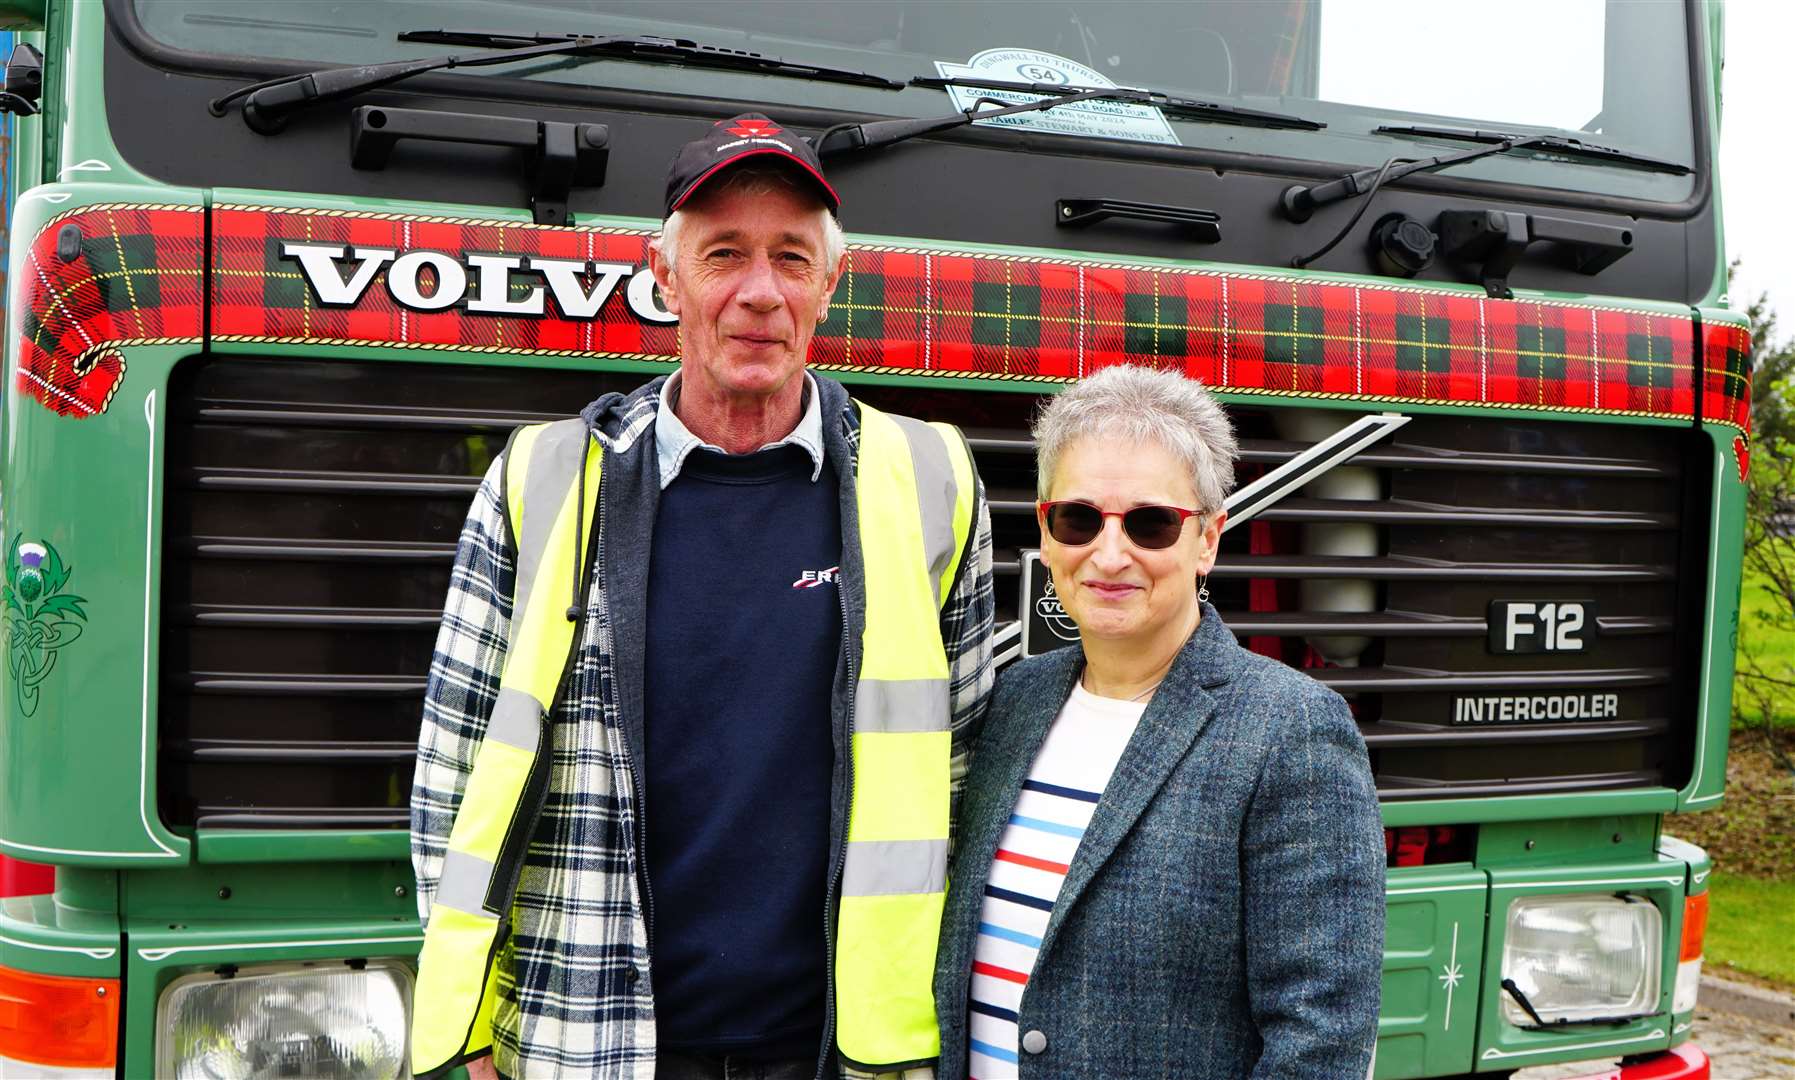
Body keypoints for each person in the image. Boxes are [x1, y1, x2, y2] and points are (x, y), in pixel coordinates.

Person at [409, 113, 995, 1080]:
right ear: (664, 278)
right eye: (723, 254)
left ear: (827, 285)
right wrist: (469, 1024)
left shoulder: (931, 478)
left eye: (790, 259)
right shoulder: (539, 480)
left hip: (840, 1050)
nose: (758, 293)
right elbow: (453, 767)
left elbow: (967, 769)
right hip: (590, 1039)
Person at [933, 365, 1383, 1079]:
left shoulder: (1292, 730)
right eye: (1079, 519)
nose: (1109, 555)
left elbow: (1319, 1040)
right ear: (1046, 531)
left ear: (1206, 539)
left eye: (1149, 523)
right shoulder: (1015, 700)